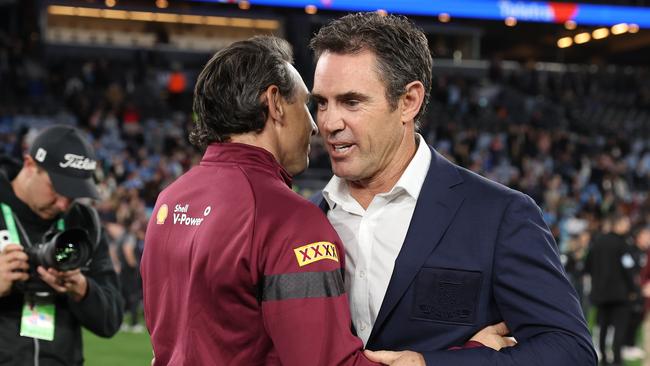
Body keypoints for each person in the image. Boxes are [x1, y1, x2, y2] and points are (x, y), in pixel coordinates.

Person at [140, 35, 509, 366]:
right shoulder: (288, 220)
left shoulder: (170, 203)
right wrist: (465, 357)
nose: (317, 125)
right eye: (308, 103)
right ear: (274, 104)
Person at [309, 12, 597, 365]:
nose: (328, 122)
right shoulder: (304, 221)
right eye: (321, 102)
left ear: (408, 101)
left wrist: (430, 363)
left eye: (351, 102)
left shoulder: (499, 215)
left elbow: (570, 351)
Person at [0, 125, 123, 365]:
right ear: (29, 165)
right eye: (57, 189)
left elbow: (111, 319)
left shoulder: (84, 222)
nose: (63, 203)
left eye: (74, 193)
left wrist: (82, 290)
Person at [587, 214, 636, 366]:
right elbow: (628, 268)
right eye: (625, 223)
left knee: (603, 326)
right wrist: (633, 289)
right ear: (618, 224)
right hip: (619, 294)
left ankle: (603, 358)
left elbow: (588, 265)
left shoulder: (597, 242)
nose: (627, 227)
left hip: (601, 294)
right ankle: (617, 359)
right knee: (619, 328)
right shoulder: (623, 244)